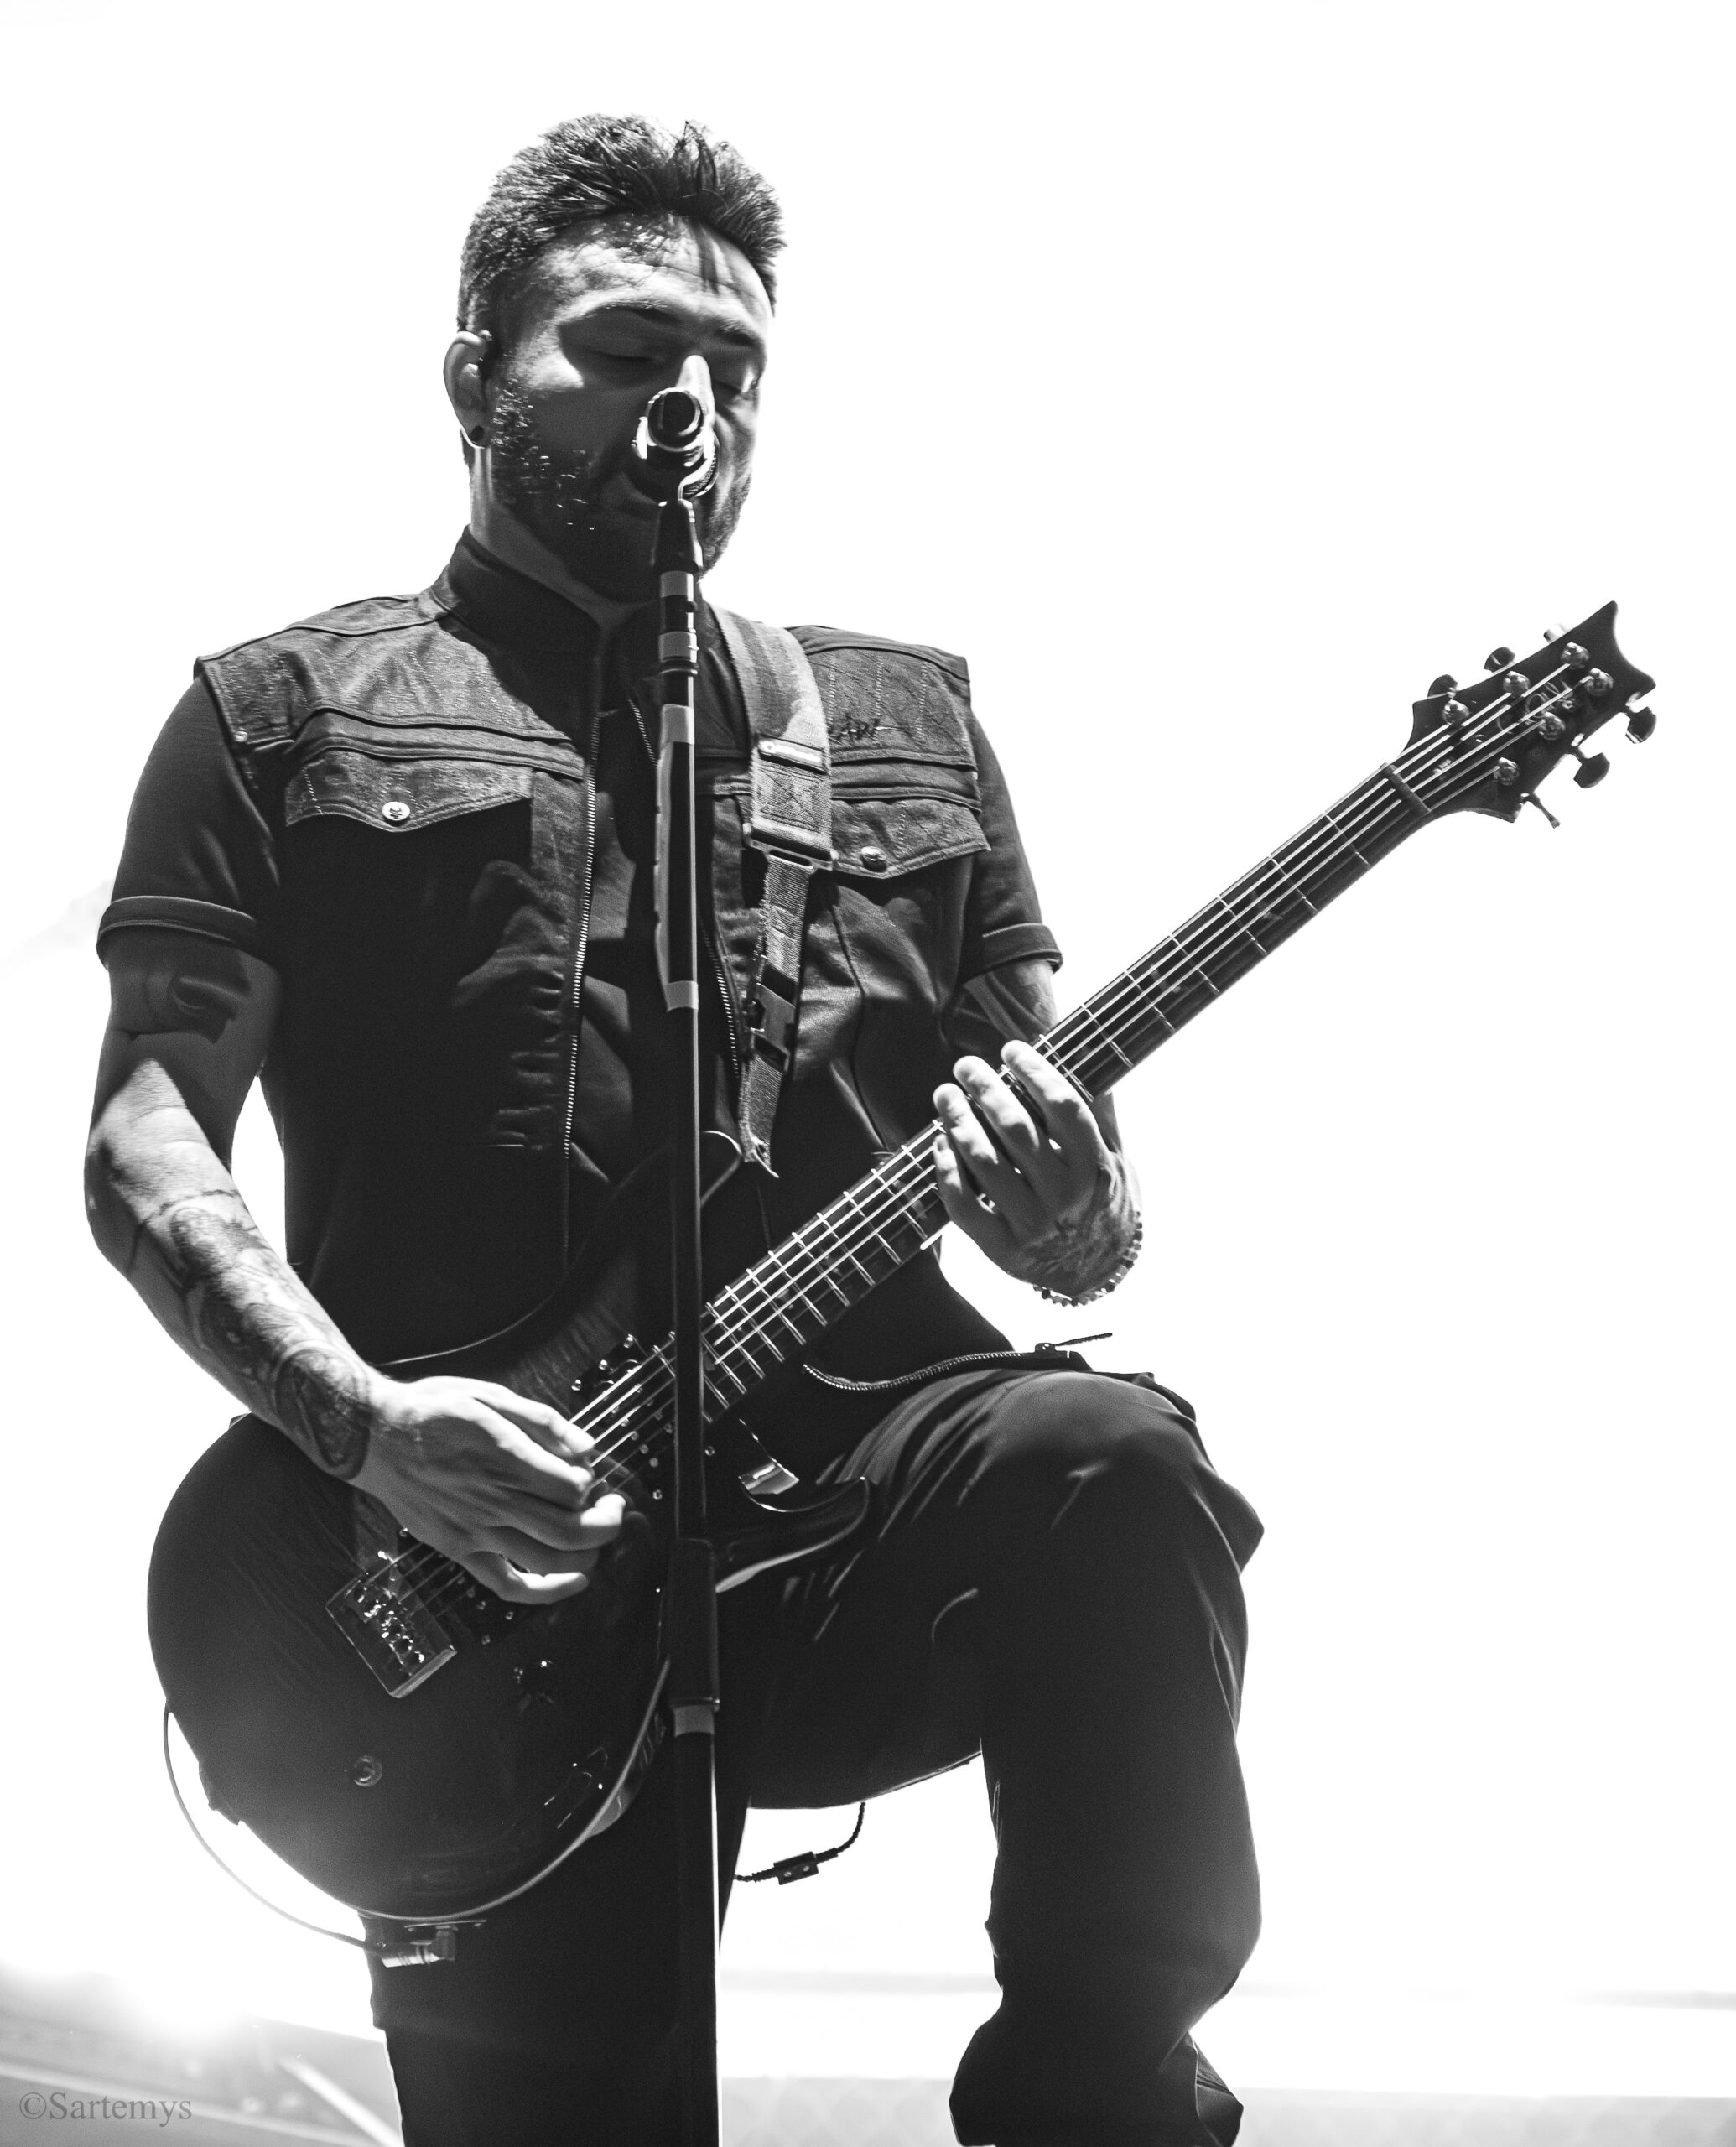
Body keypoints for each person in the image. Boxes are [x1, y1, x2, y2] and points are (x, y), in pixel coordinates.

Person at [86, 115, 1263, 2146]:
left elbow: (1066, 1189)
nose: (692, 401)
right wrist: (368, 1428)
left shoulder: (904, 726)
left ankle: (1095, 2100)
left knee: (1110, 1461)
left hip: (853, 1513)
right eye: (629, 349)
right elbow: (147, 1144)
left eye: (736, 367)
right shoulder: (281, 717)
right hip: (484, 1573)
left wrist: (1075, 1210)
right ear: (474, 375)